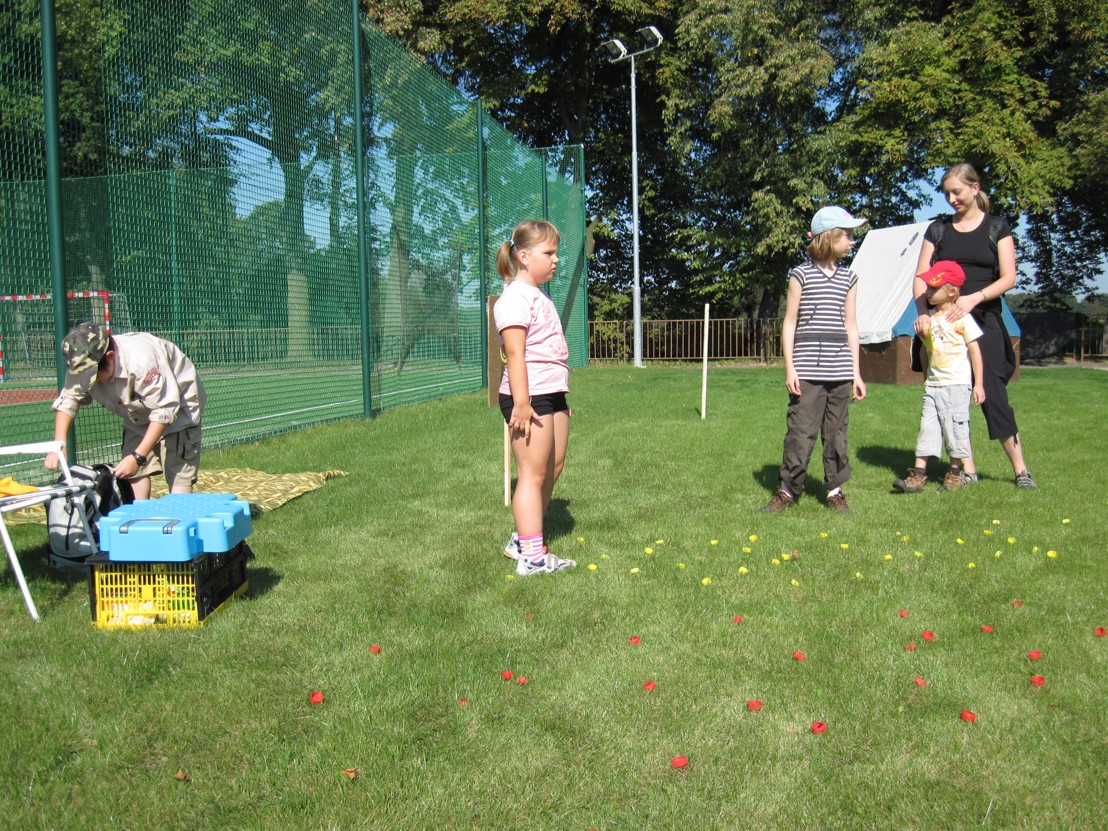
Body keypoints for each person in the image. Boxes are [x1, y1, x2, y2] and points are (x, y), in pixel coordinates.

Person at [914, 163, 1037, 488]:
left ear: (974, 187)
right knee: (951, 395)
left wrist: (974, 298)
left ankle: (1021, 471)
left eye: (957, 192)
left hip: (983, 320)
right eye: (947, 194)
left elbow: (1009, 277)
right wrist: (923, 312)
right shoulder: (938, 230)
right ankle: (967, 469)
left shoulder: (997, 227)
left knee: (993, 394)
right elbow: (920, 277)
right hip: (943, 325)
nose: (951, 199)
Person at [763, 206, 868, 514]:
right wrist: (790, 368)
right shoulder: (800, 274)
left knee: (836, 435)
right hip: (807, 371)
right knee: (801, 432)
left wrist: (856, 373)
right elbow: (790, 322)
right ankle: (787, 491)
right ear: (829, 237)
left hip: (840, 372)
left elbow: (851, 325)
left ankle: (835, 492)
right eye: (847, 235)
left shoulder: (849, 278)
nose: (852, 241)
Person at [494, 220, 576, 576]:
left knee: (552, 468)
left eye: (556, 252)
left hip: (551, 393)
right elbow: (515, 354)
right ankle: (532, 558)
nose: (556, 259)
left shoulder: (539, 295)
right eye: (549, 253)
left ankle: (522, 540)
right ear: (524, 257)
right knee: (532, 474)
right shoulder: (514, 298)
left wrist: (560, 398)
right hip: (528, 396)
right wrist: (522, 403)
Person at [45, 323, 205, 500]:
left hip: (180, 406)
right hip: (136, 414)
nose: (91, 382)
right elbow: (69, 399)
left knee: (178, 472)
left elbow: (164, 410)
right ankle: (139, 515)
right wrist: (59, 445)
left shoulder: (142, 361)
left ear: (110, 356)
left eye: (93, 376)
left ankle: (179, 514)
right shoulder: (82, 363)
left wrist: (137, 457)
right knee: (132, 474)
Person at [893, 260, 985, 493]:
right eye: (928, 287)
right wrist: (926, 378)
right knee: (927, 429)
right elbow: (926, 352)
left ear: (952, 291)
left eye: (934, 288)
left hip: (957, 385)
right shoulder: (929, 320)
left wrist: (979, 384)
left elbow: (975, 351)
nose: (928, 292)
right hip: (933, 386)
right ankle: (918, 476)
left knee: (955, 431)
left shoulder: (963, 319)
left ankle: (955, 475)